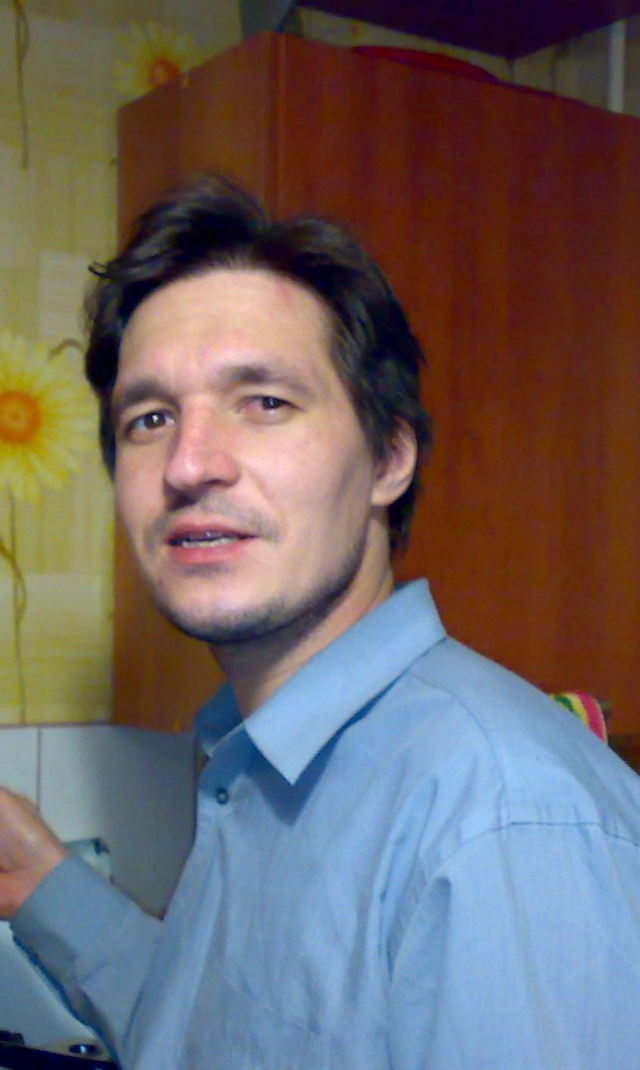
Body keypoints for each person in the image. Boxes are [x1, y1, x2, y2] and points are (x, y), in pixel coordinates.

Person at [1, 176, 640, 1070]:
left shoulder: (501, 821)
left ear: (388, 458)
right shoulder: (258, 762)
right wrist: (34, 877)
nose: (188, 463)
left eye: (264, 402)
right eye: (150, 418)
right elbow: (210, 1039)